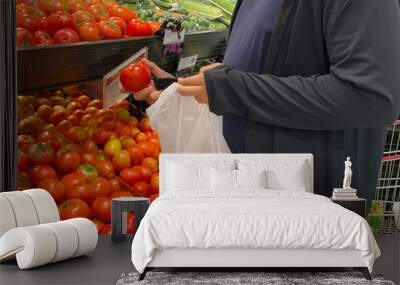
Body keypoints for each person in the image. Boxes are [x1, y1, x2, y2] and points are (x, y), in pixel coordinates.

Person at [129, 0, 400, 206]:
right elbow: (269, 70)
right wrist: (179, 86)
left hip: (308, 211)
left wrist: (234, 89)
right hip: (250, 192)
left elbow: (370, 96)